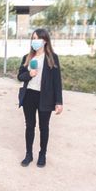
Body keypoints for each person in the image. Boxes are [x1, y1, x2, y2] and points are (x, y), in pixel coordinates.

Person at [17, 28, 63, 168]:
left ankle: (42, 154)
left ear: (45, 41)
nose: (34, 41)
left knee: (44, 127)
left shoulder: (52, 58)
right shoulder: (27, 57)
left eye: (37, 38)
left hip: (46, 97)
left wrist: (59, 102)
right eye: (33, 38)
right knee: (29, 126)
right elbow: (20, 76)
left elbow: (57, 81)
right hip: (29, 95)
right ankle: (29, 154)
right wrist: (29, 74)